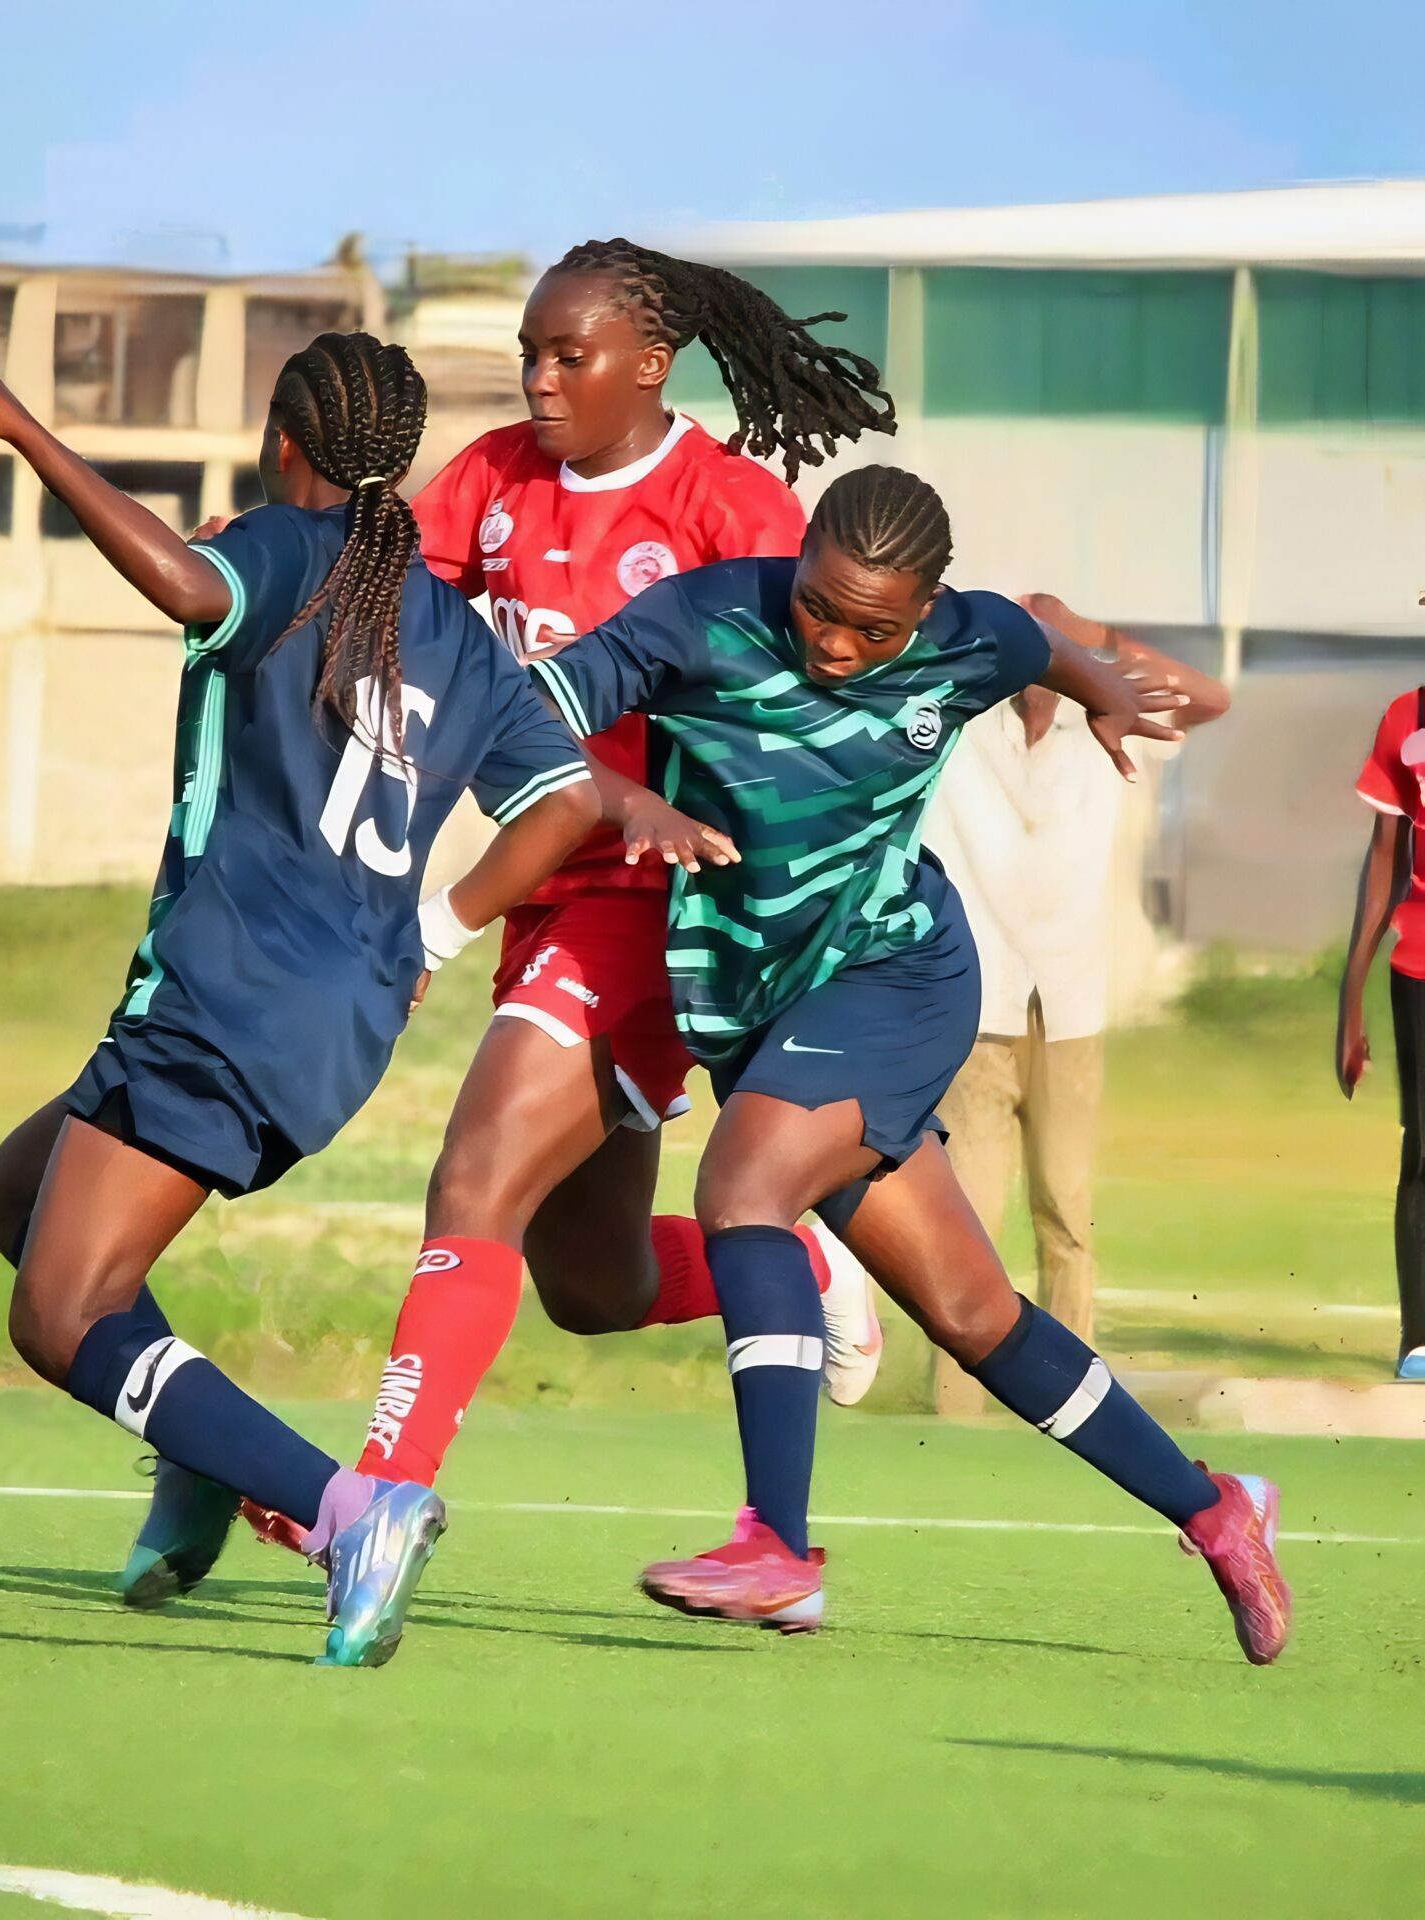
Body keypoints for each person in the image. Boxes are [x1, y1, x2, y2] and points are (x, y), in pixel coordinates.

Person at [120, 240, 895, 1593]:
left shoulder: (734, 508)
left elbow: (825, 690)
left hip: (662, 904)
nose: (538, 380)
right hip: (549, 898)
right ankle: (802, 1274)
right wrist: (243, 570)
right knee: (586, 1284)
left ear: (650, 366)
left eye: (566, 356)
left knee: (473, 1176)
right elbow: (373, 592)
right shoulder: (489, 483)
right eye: (530, 354)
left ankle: (371, 1508)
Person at [0, 329, 600, 1666]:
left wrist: (23, 427)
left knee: (60, 1316)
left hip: (227, 1000)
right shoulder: (446, 623)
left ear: (289, 441)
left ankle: (349, 1515)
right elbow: (565, 799)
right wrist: (438, 938)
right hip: (334, 1024)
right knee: (16, 1196)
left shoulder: (284, 547)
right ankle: (202, 1460)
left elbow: (180, 579)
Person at [520, 465, 1291, 1663]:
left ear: (927, 610)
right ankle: (1217, 1508)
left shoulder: (968, 638)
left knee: (741, 1193)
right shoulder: (703, 616)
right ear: (803, 560)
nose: (831, 641)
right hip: (757, 1005)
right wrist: (627, 801)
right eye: (817, 607)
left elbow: (1037, 640)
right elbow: (526, 715)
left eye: (870, 628)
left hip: (897, 977)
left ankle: (777, 1547)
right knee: (974, 1314)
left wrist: (1097, 690)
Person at [922, 593, 1230, 1413]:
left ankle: (1071, 1397)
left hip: (1068, 1004)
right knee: (967, 1220)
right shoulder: (956, 719)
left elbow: (1212, 700)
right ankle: (955, 1403)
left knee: (1066, 1210)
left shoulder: (1107, 722)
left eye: (1052, 649)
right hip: (975, 1003)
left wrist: (1098, 639)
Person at [1338, 685, 1425, 1381]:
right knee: (1424, 1150)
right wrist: (1351, 1003)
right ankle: (1420, 1337)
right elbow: (1384, 867)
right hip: (1420, 967)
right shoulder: (1405, 717)